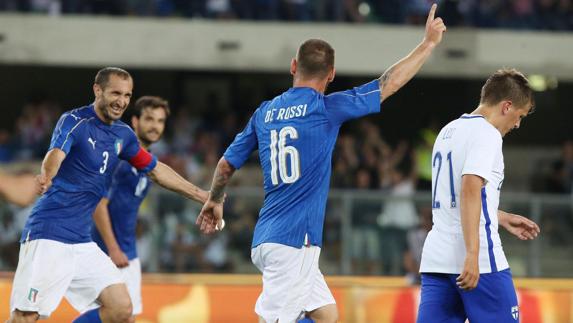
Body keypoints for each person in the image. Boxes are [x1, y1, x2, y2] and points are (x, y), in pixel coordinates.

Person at [197, 4, 446, 322]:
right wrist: (427, 44)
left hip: (270, 237)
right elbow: (387, 84)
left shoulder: (264, 112)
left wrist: (215, 199)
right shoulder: (327, 108)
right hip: (293, 242)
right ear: (331, 74)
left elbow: (225, 166)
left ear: (292, 66)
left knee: (327, 315)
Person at [8, 67, 211, 323]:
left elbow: (156, 169)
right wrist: (47, 175)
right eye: (116, 92)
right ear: (97, 90)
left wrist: (202, 195)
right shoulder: (74, 121)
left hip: (81, 242)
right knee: (26, 317)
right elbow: (55, 155)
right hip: (49, 234)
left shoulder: (123, 135)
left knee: (121, 307)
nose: (122, 101)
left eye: (127, 95)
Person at [417, 68, 541, 323]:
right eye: (519, 115)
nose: (517, 124)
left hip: (438, 259)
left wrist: (501, 217)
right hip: (480, 260)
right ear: (507, 106)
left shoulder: (447, 131)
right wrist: (472, 255)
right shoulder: (488, 134)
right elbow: (470, 189)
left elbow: (454, 200)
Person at [91, 96, 170, 322]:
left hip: (129, 254)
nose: (155, 126)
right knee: (111, 315)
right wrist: (113, 248)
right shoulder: (119, 158)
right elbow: (98, 203)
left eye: (160, 121)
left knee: (128, 318)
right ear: (134, 121)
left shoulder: (147, 163)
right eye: (149, 119)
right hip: (106, 253)